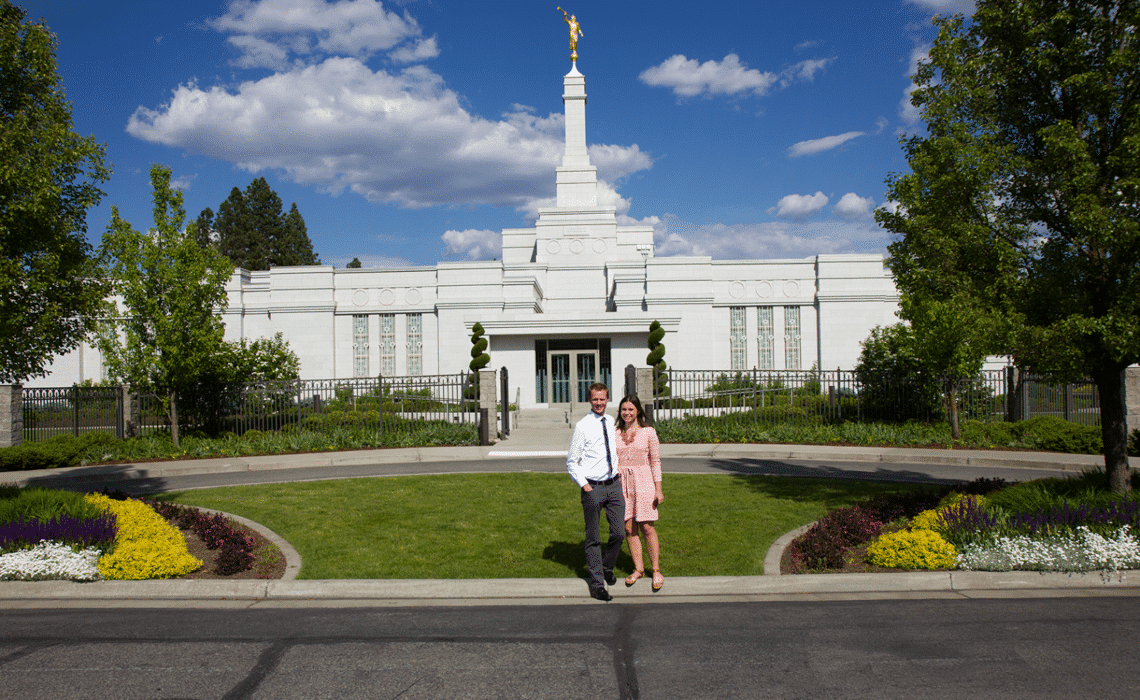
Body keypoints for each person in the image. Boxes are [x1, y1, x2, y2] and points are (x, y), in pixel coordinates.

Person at [566, 382, 624, 601]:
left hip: (614, 485)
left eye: (602, 399)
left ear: (608, 399)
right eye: (595, 399)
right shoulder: (582, 426)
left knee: (619, 533)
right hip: (593, 488)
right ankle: (597, 584)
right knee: (593, 537)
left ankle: (607, 567)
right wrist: (583, 484)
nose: (599, 403)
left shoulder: (611, 422)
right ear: (589, 400)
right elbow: (572, 461)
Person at [615, 394, 665, 591]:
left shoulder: (648, 432)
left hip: (644, 482)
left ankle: (656, 569)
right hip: (621, 484)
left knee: (646, 526)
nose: (627, 413)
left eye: (630, 409)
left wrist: (658, 489)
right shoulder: (615, 432)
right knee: (628, 527)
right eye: (624, 409)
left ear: (638, 411)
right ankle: (638, 568)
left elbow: (656, 462)